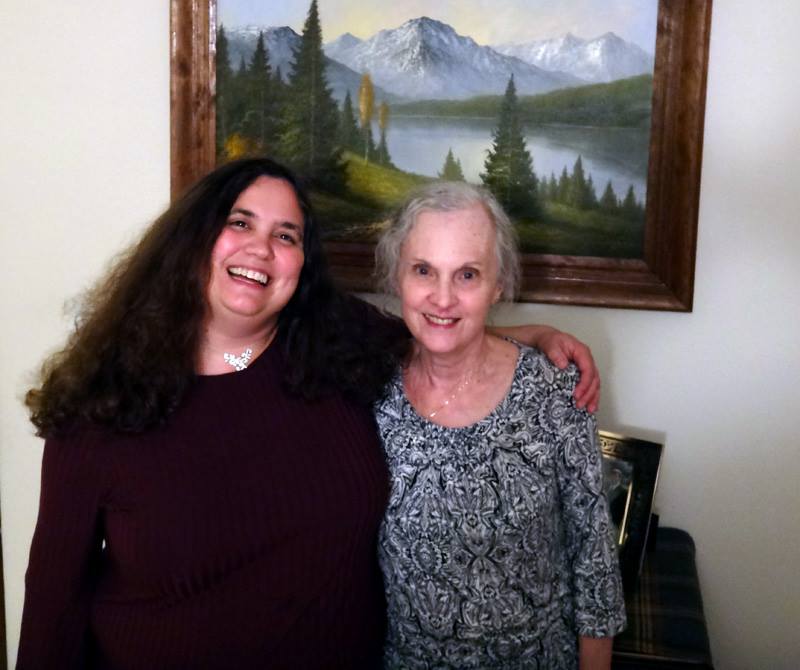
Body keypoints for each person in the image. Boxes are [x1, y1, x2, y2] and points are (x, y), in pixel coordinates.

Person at [18, 158, 599, 669]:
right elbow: (53, 604)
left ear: (301, 264)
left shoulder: (338, 346)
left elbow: (441, 328)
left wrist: (536, 336)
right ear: (194, 238)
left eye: (286, 235)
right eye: (240, 223)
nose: (260, 249)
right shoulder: (104, 400)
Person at [373, 182, 626, 669]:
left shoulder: (554, 390)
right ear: (396, 276)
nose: (442, 297)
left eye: (467, 274)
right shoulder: (367, 383)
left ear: (498, 285)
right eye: (423, 270)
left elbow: (593, 554)